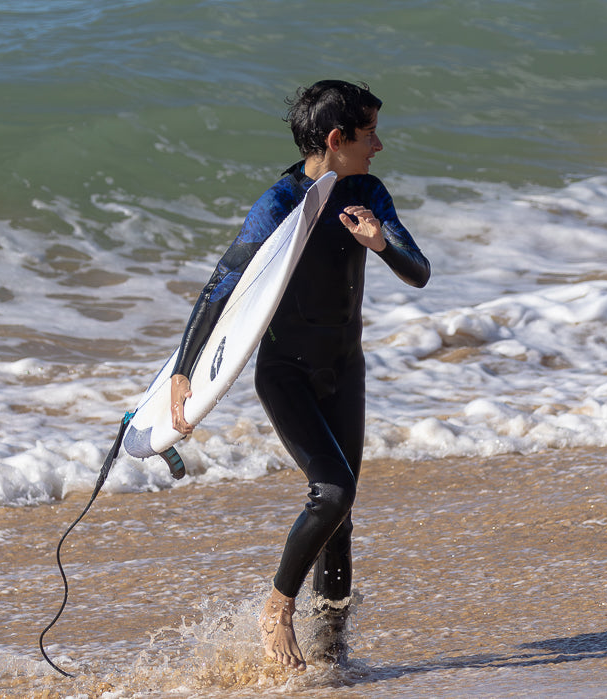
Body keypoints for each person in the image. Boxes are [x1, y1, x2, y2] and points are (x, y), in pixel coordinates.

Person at [168, 80, 430, 671]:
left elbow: (419, 271)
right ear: (337, 140)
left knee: (341, 517)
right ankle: (278, 610)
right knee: (332, 492)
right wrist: (184, 371)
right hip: (284, 373)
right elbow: (222, 283)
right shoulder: (280, 202)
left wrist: (380, 242)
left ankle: (332, 654)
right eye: (369, 134)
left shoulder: (367, 192)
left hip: (347, 369)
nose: (379, 145)